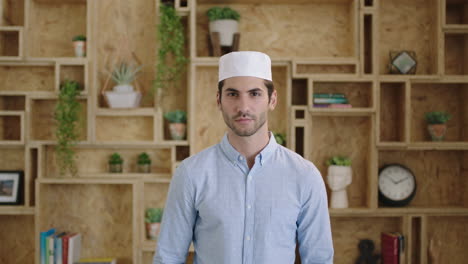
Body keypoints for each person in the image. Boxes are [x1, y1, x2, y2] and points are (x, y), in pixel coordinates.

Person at [153, 51, 334, 264]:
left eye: (255, 94)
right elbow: (169, 257)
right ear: (219, 100)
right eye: (232, 94)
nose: (243, 107)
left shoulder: (304, 175)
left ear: (272, 99)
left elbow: (318, 260)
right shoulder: (192, 173)